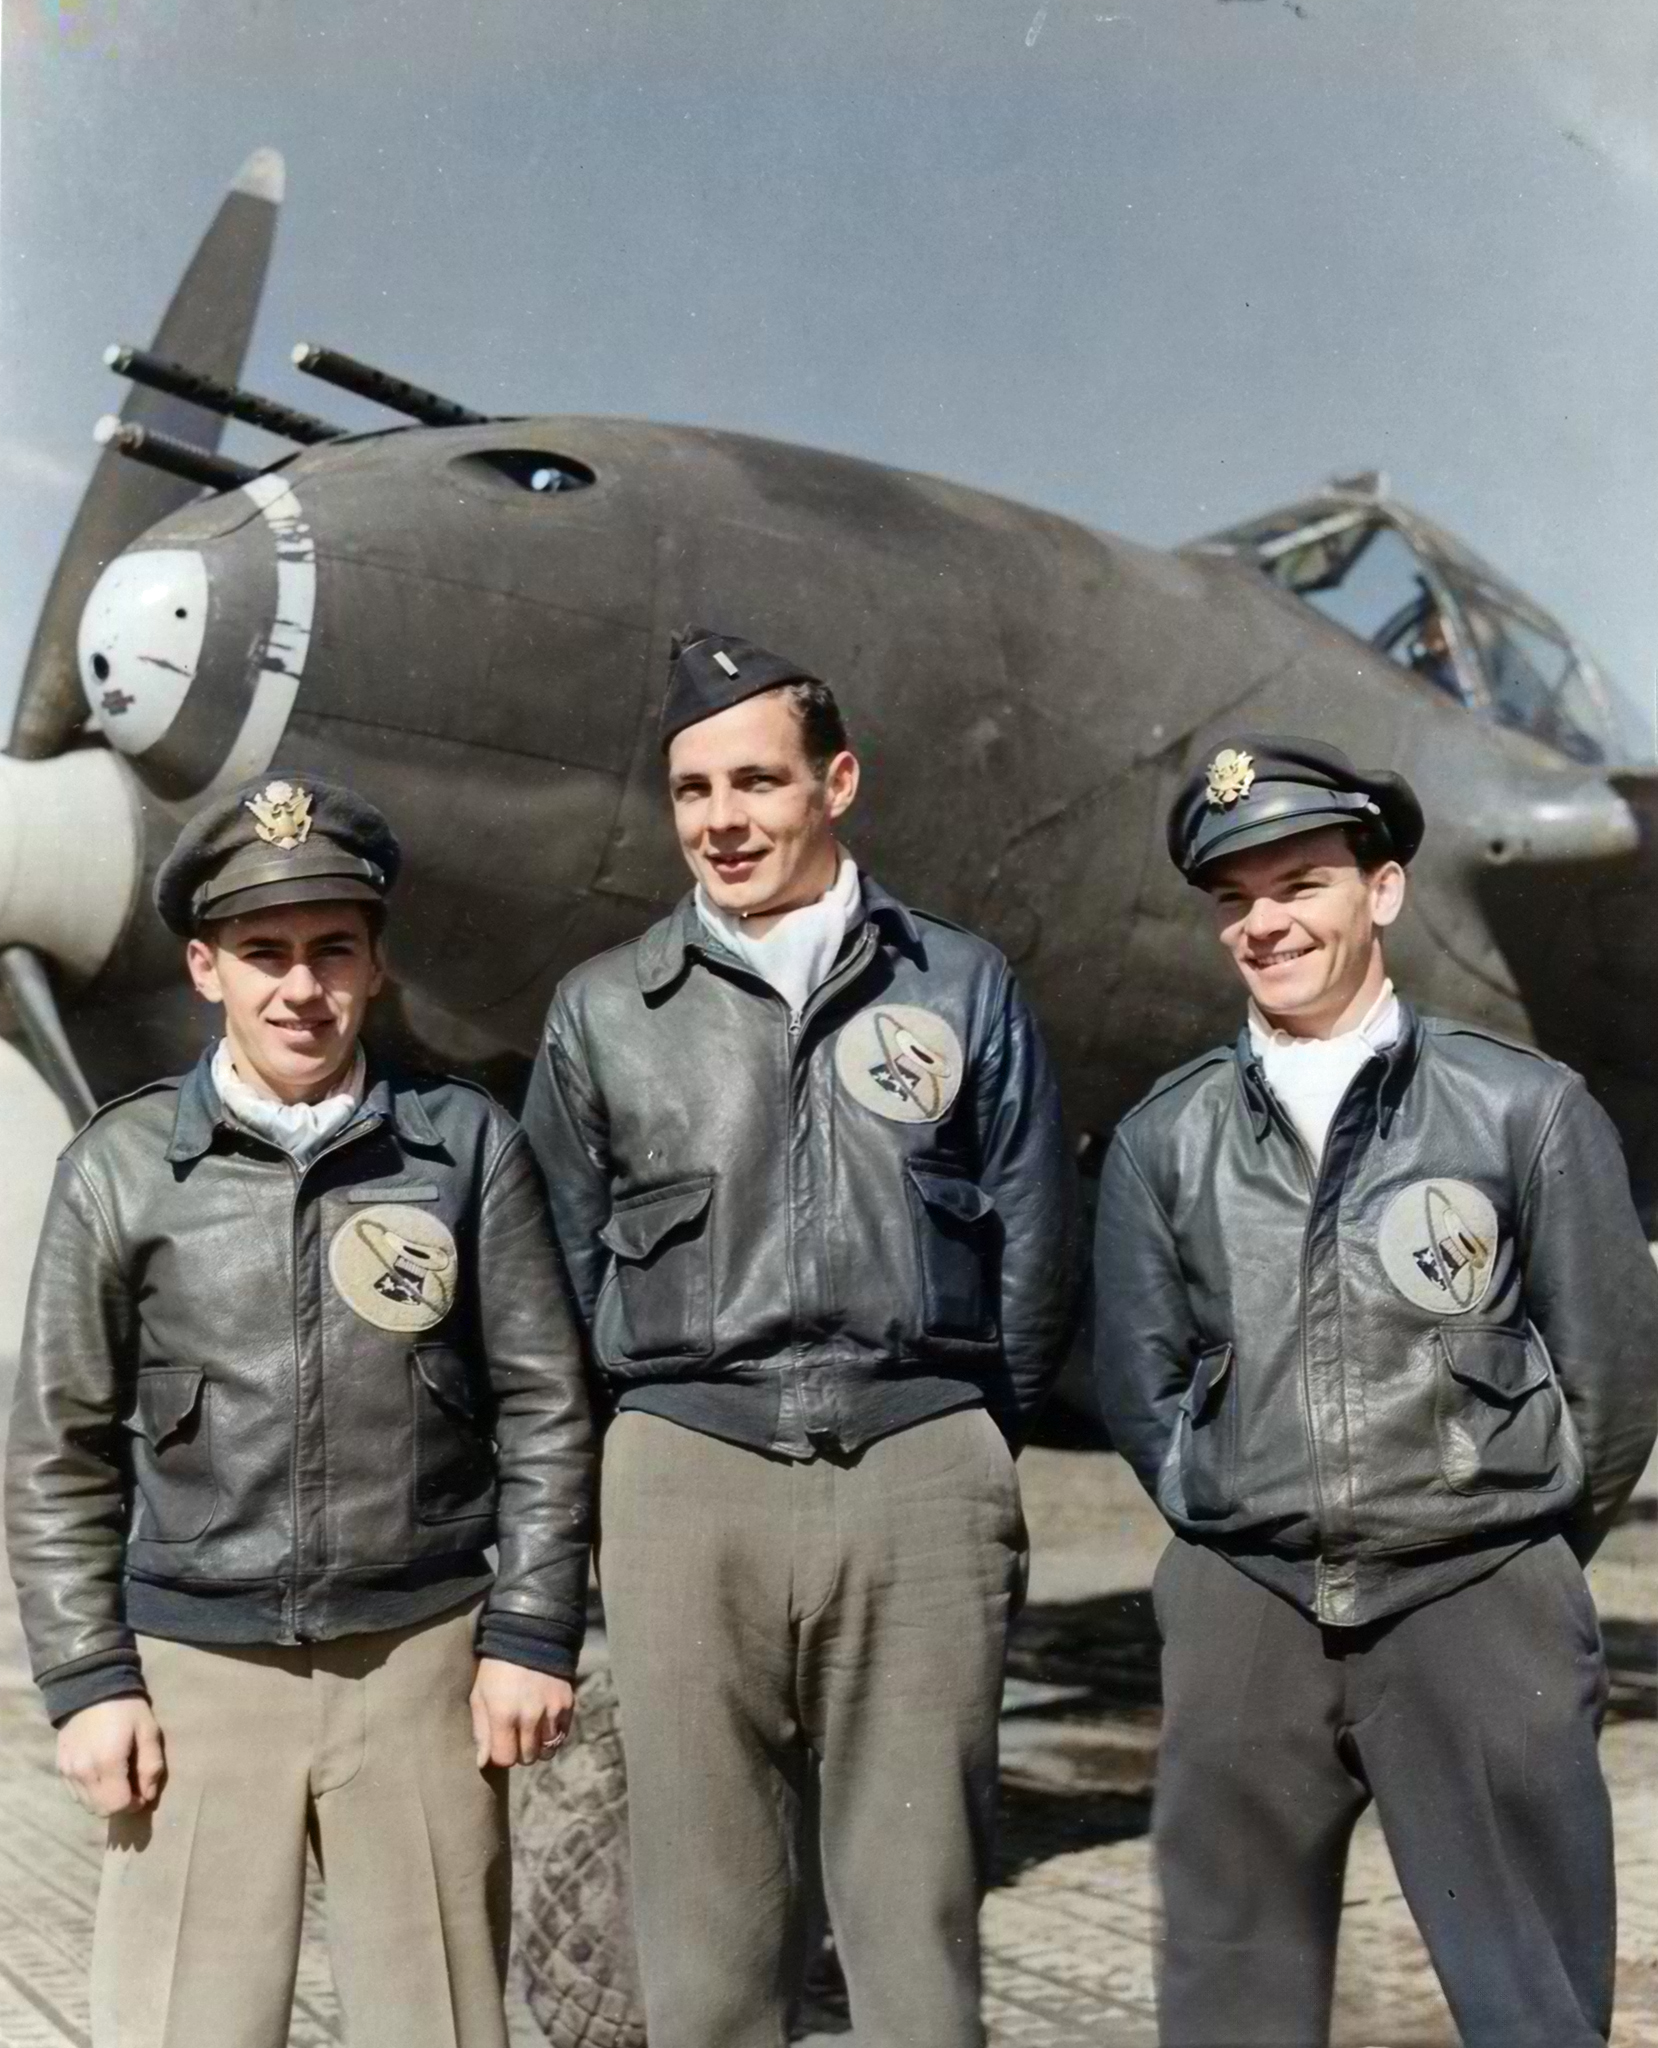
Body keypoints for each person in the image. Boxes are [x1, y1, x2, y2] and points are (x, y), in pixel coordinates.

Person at [523, 629, 1078, 2048]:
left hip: (917, 1470)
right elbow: (549, 1279)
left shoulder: (958, 986)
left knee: (917, 1927)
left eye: (756, 782)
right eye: (693, 789)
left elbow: (1029, 1241)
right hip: (685, 1474)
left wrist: (961, 1441)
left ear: (836, 782)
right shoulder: (603, 1012)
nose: (722, 820)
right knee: (705, 1947)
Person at [5, 774, 595, 2048]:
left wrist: (532, 1629)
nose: (299, 987)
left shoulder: (464, 1149)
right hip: (196, 1680)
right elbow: (55, 1451)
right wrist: (88, 1678)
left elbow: (548, 1408)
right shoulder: (119, 1169)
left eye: (333, 950)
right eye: (264, 953)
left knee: (435, 2022)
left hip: (421, 1664)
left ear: (377, 966)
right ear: (205, 966)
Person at [1092, 734, 1658, 2048]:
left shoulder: (1521, 1107)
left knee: (1528, 2005)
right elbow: (1137, 1380)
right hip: (1249, 1608)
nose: (1263, 923)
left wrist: (1516, 1547)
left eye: (1298, 884)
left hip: (1474, 1605)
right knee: (1231, 2005)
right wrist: (1217, 1501)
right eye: (1233, 899)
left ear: (1381, 891)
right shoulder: (1164, 1136)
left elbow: (1614, 1374)